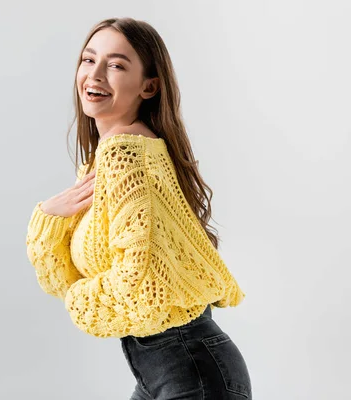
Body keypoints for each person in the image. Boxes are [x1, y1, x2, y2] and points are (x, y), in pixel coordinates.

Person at [25, 17, 252, 399]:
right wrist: (48, 217)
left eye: (115, 65)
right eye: (87, 60)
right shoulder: (107, 160)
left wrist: (76, 300)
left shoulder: (126, 156)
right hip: (169, 372)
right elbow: (61, 279)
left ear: (149, 86)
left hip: (190, 372)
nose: (94, 75)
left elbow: (140, 288)